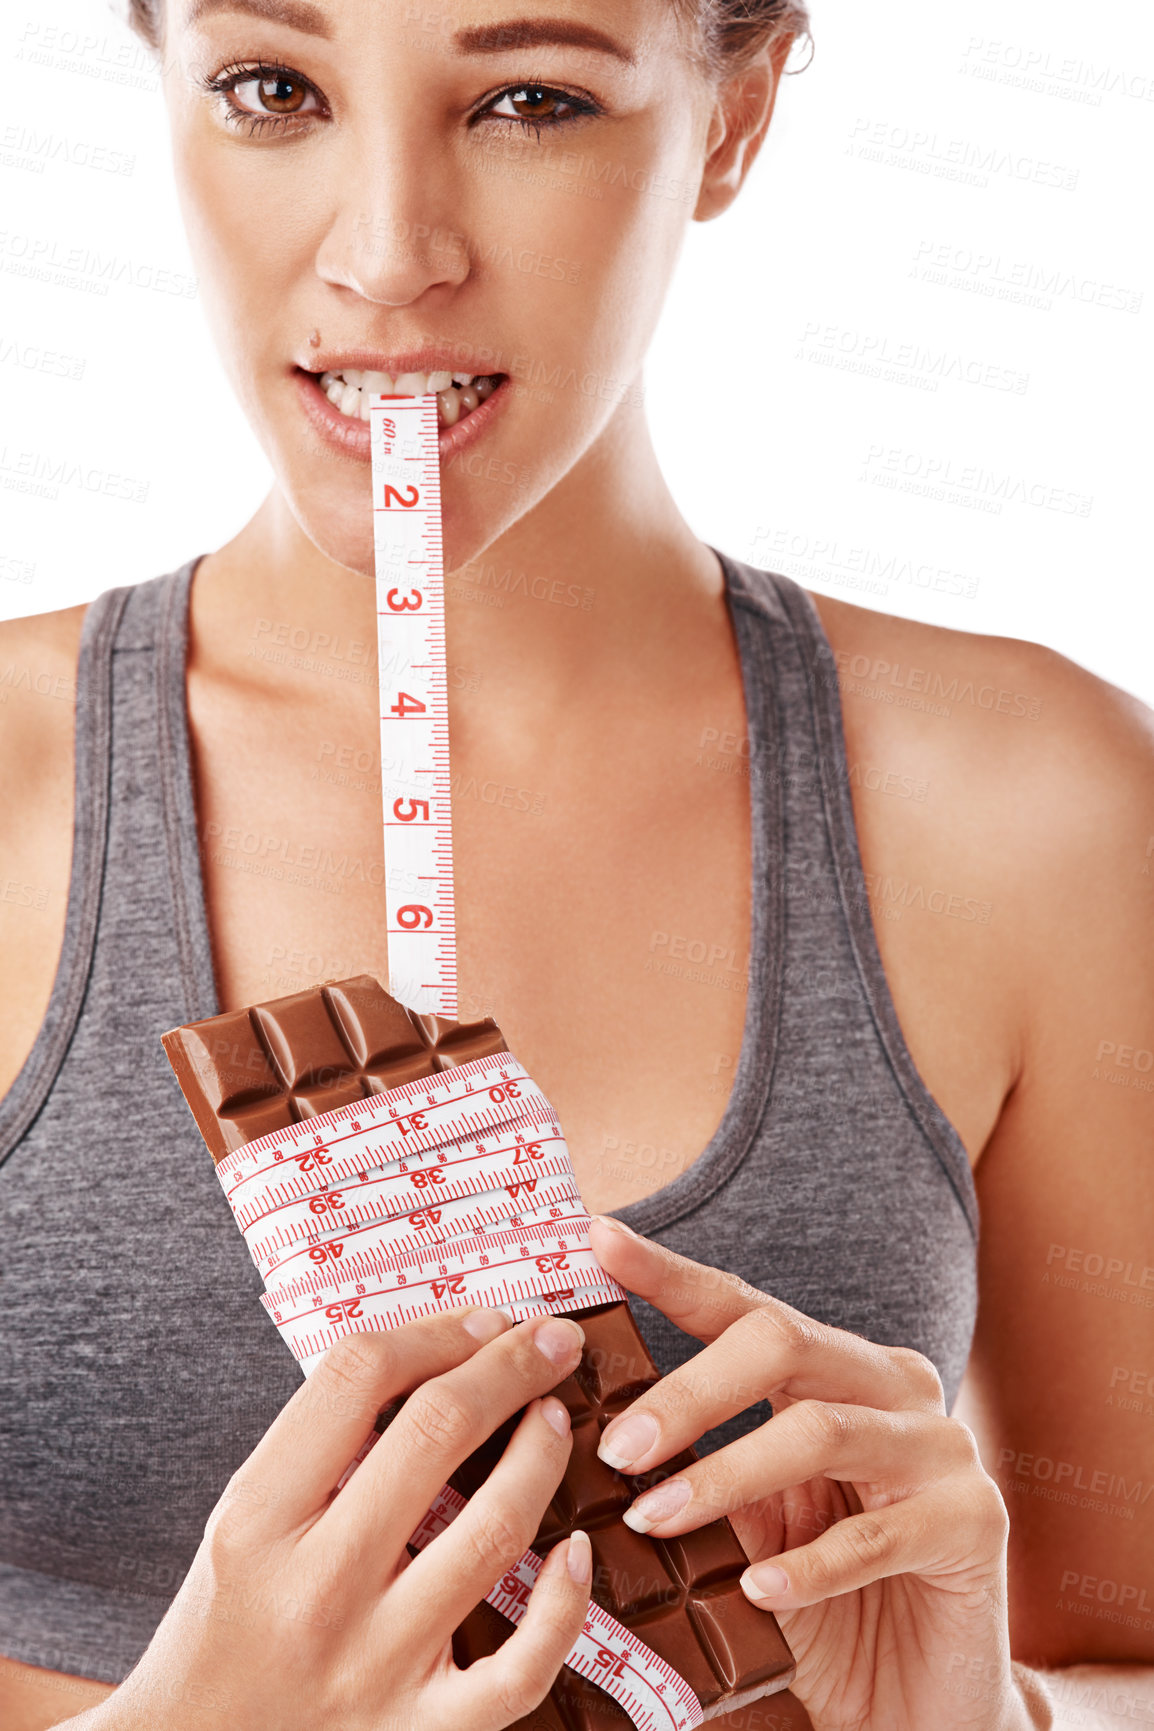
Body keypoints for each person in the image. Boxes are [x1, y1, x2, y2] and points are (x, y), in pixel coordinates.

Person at [0, 0, 1151, 1726]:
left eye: (529, 98)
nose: (389, 256)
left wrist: (983, 1716)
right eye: (272, 89)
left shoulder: (1034, 803)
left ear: (738, 110)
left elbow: (1119, 1648)